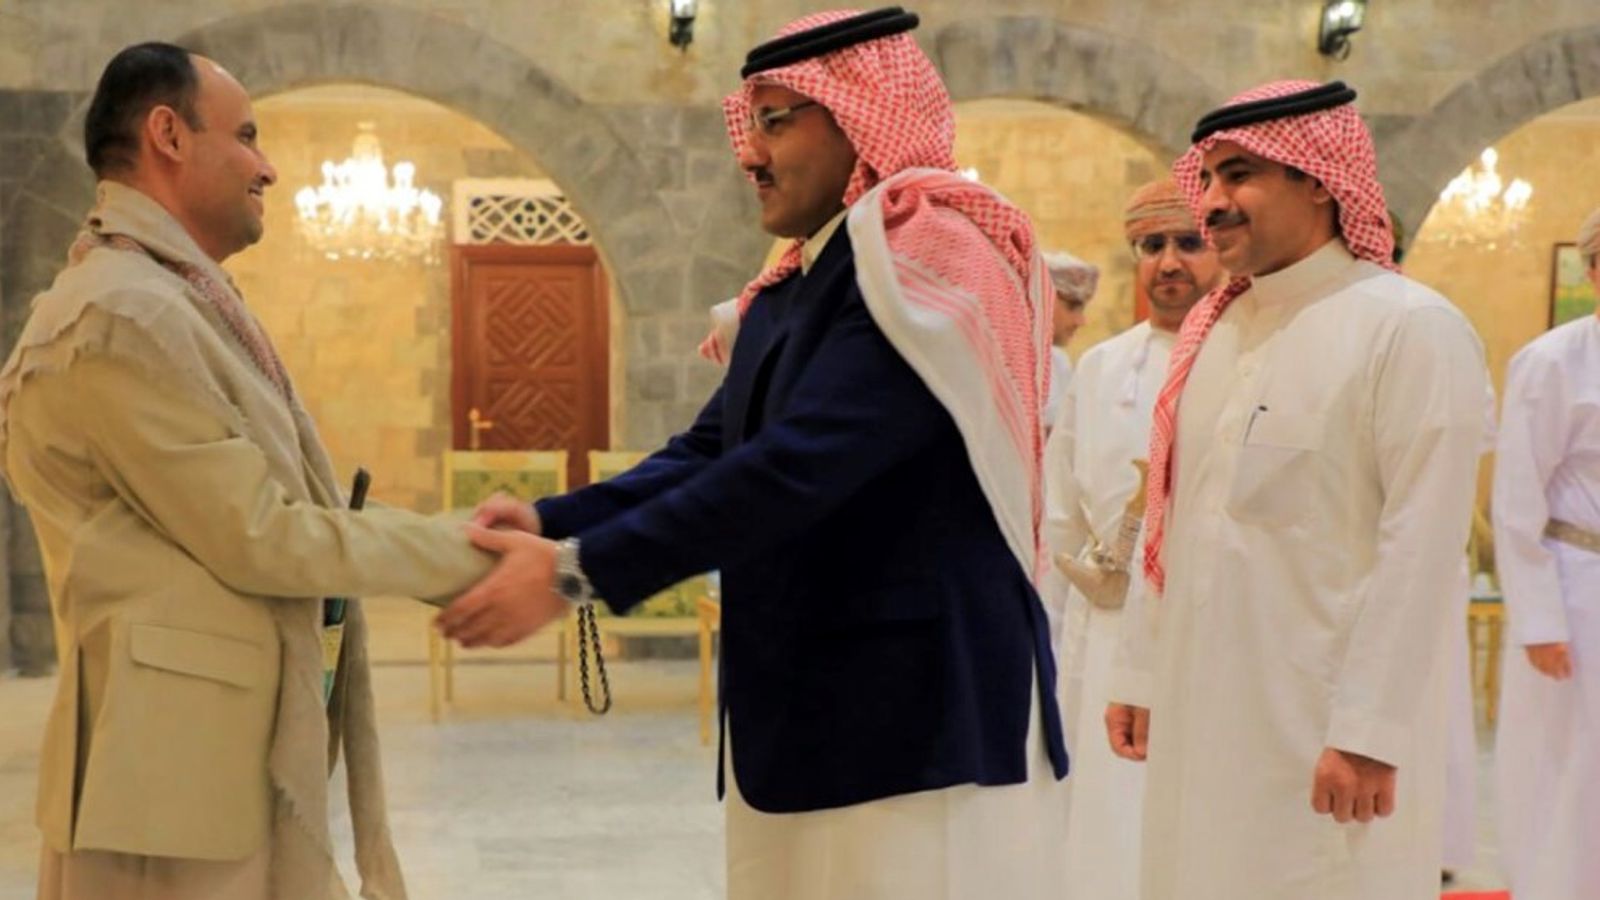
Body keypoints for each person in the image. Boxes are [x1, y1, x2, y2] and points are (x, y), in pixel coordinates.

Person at [438, 7, 1070, 898]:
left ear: (859, 117)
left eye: (777, 121)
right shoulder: (798, 282)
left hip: (916, 718)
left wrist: (577, 571)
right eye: (750, 123)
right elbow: (711, 449)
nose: (750, 154)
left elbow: (799, 466)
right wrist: (549, 520)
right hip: (805, 705)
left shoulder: (927, 259)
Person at [0, 43, 502, 900]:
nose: (266, 167)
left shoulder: (167, 297)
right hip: (167, 787)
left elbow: (283, 509)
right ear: (168, 134)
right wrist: (482, 561)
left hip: (200, 761)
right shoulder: (123, 312)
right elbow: (264, 535)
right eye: (246, 136)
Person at [1103, 80, 1488, 900]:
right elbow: (1172, 522)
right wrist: (1140, 671)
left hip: (1319, 729)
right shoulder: (1214, 333)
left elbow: (1422, 550)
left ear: (1317, 179)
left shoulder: (1409, 327)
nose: (1212, 201)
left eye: (1239, 174)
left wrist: (1369, 730)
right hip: (1199, 711)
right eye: (1208, 177)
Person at [1045, 178, 1221, 900]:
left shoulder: (1249, 356)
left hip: (1210, 626)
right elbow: (1061, 518)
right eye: (1152, 246)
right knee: (1107, 816)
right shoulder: (1100, 366)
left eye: (1189, 243)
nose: (1168, 262)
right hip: (1108, 628)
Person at [1492, 207, 1600, 900]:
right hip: (1577, 587)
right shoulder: (1554, 362)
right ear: (1593, 270)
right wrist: (1539, 621)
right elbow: (1516, 499)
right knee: (1570, 763)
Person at [1041, 250, 1098, 430]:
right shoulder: (997, 360)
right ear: (1040, 297)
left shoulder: (1058, 361)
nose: (1080, 321)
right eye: (1072, 307)